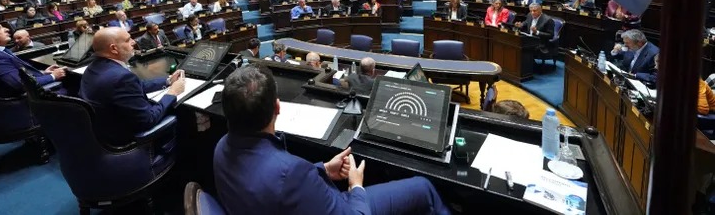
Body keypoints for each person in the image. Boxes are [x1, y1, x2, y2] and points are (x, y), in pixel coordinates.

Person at [214, 66, 451, 215]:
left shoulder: (221, 147)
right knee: (424, 188)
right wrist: (356, 185)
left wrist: (323, 170)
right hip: (343, 206)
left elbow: (279, 185)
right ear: (278, 107)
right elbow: (286, 180)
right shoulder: (291, 173)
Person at [79, 27, 185, 146]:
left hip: (101, 131)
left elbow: (137, 86)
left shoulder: (93, 67)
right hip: (122, 140)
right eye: (128, 40)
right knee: (184, 117)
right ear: (113, 49)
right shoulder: (120, 78)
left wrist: (168, 81)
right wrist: (172, 93)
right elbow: (148, 120)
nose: (134, 42)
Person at [0, 22, 65, 98]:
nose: (7, 29)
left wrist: (43, 73)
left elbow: (16, 74)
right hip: (30, 101)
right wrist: (53, 76)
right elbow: (21, 84)